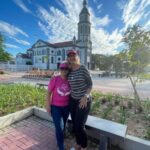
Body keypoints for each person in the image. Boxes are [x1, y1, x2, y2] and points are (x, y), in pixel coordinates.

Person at [67, 50, 93, 150]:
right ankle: (78, 143)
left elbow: (90, 84)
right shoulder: (69, 70)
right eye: (69, 56)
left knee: (80, 126)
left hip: (84, 100)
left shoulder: (83, 68)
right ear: (68, 58)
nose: (71, 57)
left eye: (73, 55)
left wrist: (85, 96)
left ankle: (84, 146)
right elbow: (62, 76)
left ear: (77, 56)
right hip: (73, 100)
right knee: (74, 124)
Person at [46, 61, 71, 150]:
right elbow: (48, 93)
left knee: (63, 125)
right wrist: (48, 105)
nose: (64, 70)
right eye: (62, 68)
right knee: (59, 126)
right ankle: (61, 146)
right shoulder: (55, 79)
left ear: (68, 70)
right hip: (55, 107)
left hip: (66, 107)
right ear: (59, 69)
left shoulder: (70, 79)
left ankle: (60, 137)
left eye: (66, 68)